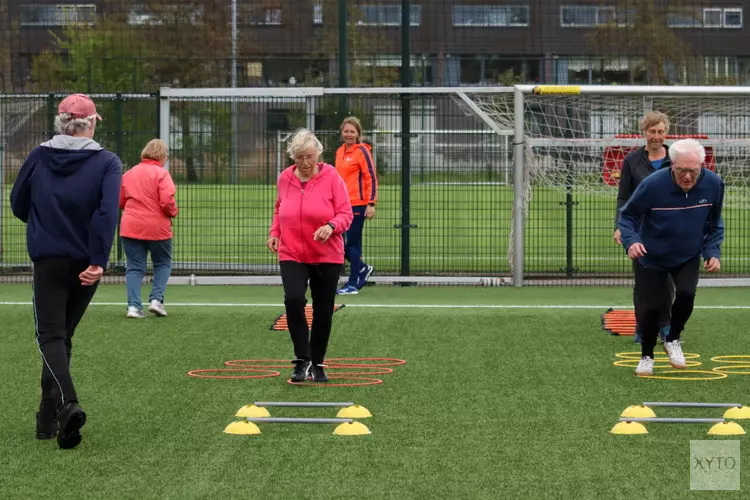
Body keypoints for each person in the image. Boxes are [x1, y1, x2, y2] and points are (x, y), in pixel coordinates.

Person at [9, 93, 122, 449]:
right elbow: (106, 214)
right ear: (89, 123)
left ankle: (66, 403)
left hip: (48, 258)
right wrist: (98, 260)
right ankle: (48, 416)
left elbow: (17, 202)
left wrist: (43, 225)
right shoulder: (107, 162)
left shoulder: (39, 156)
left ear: (60, 122)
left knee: (51, 337)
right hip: (86, 262)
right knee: (62, 336)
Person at [618, 138, 724, 376]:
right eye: (682, 171)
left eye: (694, 171)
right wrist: (631, 241)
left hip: (688, 253)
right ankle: (646, 356)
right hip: (652, 254)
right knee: (652, 307)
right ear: (671, 165)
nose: (688, 177)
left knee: (687, 293)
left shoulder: (714, 184)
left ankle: (673, 338)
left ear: (702, 167)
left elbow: (715, 223)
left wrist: (712, 251)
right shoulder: (652, 184)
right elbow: (627, 217)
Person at [267, 129, 353, 382]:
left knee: (323, 310)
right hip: (292, 251)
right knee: (293, 301)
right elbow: (279, 207)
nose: (304, 163)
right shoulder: (285, 178)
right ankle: (301, 359)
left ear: (318, 154)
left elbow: (346, 214)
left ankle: (318, 363)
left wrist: (331, 226)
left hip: (326, 254)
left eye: (309, 157)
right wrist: (275, 232)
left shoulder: (332, 178)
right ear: (292, 157)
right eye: (299, 158)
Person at [613, 111, 674, 344]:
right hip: (639, 230)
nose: (656, 136)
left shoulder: (675, 159)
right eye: (652, 131)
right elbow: (623, 198)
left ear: (666, 133)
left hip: (669, 229)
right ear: (644, 133)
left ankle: (666, 326)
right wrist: (620, 226)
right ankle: (642, 326)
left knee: (667, 280)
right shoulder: (631, 161)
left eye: (660, 131)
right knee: (644, 281)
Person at [119, 139, 178, 318]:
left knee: (134, 267)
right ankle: (156, 300)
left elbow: (120, 200)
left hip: (130, 227)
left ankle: (133, 307)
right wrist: (173, 212)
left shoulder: (129, 174)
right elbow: (167, 201)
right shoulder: (162, 174)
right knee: (162, 263)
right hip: (157, 228)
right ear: (161, 156)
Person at [334, 116, 377, 295]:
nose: (349, 134)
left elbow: (371, 178)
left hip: (358, 206)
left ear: (358, 134)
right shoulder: (339, 152)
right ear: (342, 132)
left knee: (352, 245)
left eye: (352, 131)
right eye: (346, 131)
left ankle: (352, 284)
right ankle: (363, 268)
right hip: (341, 206)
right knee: (337, 244)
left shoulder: (362, 151)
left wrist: (371, 203)